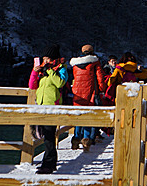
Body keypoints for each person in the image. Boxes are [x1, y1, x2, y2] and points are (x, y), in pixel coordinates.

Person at [28, 44, 68, 174]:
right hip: (41, 105)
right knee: (45, 135)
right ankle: (49, 163)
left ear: (54, 59)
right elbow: (32, 85)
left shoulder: (61, 69)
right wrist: (35, 71)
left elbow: (60, 83)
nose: (45, 61)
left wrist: (51, 71)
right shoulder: (42, 71)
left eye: (48, 59)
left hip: (52, 107)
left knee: (50, 137)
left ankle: (48, 164)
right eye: (44, 58)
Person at [69, 44, 106, 150]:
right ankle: (86, 140)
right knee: (88, 116)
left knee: (78, 115)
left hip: (77, 92)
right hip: (90, 92)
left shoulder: (75, 64)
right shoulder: (95, 62)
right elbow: (100, 77)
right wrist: (102, 89)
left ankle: (76, 139)